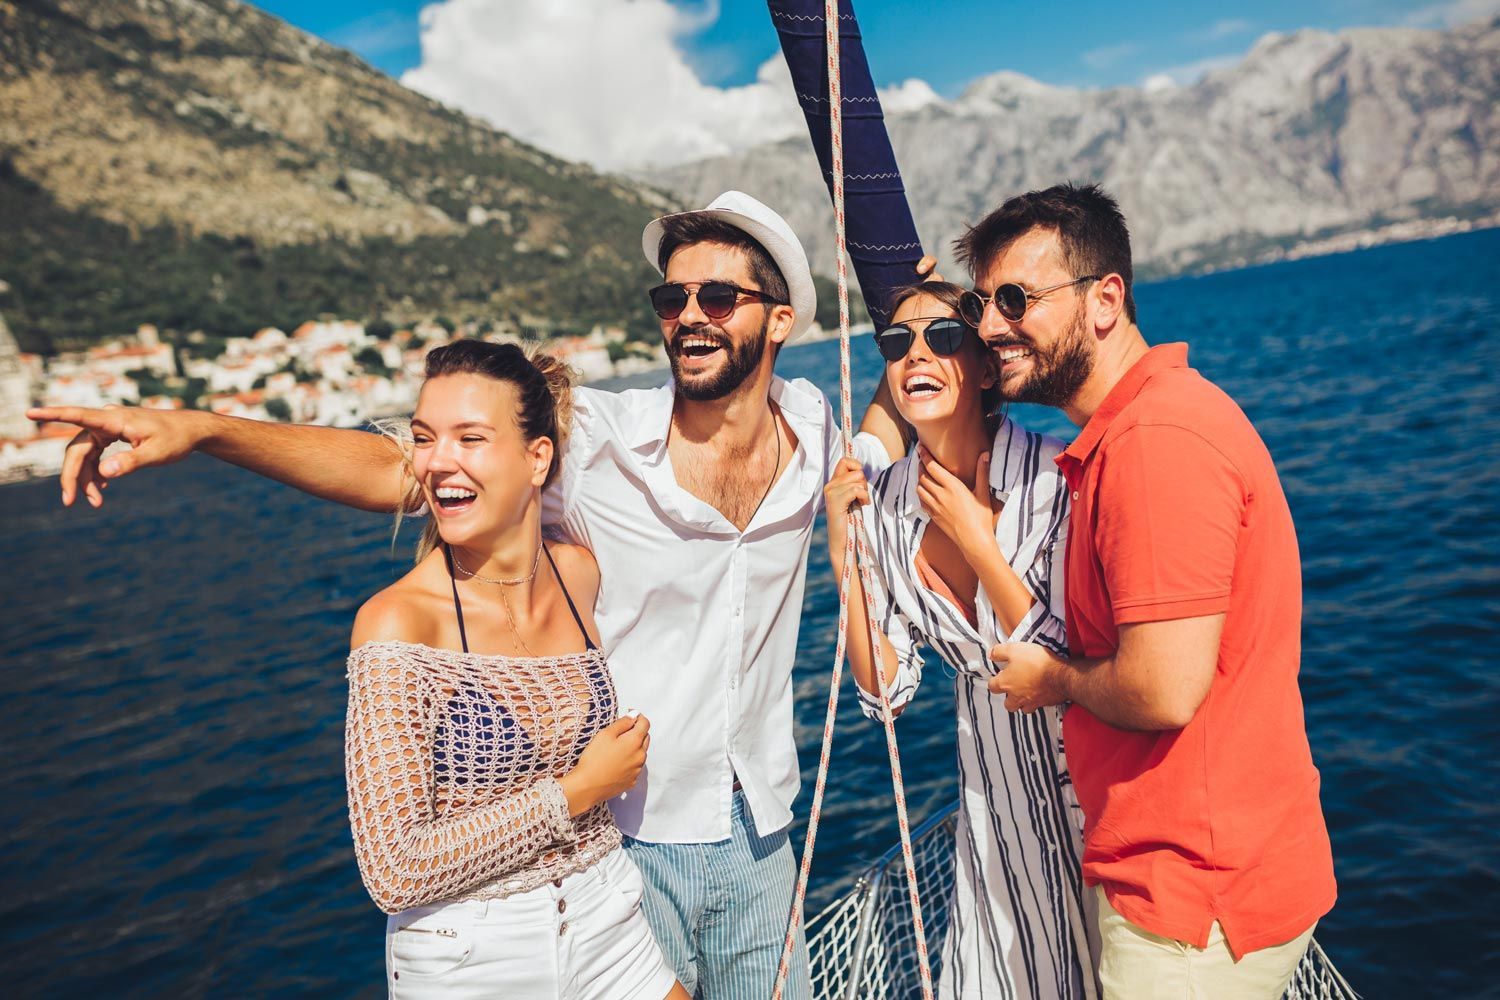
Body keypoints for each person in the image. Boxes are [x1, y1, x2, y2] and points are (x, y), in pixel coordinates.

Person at [30, 191, 904, 1000]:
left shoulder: (814, 428)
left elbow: (888, 420)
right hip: (627, 837)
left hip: (762, 836)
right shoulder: (596, 441)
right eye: (670, 301)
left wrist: (918, 312)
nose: (688, 317)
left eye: (718, 299)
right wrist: (206, 430)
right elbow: (409, 470)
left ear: (780, 319)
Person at [967, 183, 1336, 998]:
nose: (990, 326)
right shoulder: (1143, 427)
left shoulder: (1154, 443)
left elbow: (1166, 688)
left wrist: (1050, 679)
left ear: (1106, 300)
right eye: (981, 303)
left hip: (1192, 898)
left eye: (1017, 299)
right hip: (1204, 873)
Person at [343, 339, 687, 998]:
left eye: (470, 437)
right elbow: (394, 869)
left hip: (608, 914)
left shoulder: (579, 573)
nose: (437, 461)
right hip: (470, 956)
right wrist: (578, 792)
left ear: (538, 459)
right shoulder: (397, 625)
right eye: (424, 438)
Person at [824, 280, 1096, 1000]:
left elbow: (1078, 660)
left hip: (1097, 799)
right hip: (997, 814)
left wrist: (981, 547)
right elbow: (884, 694)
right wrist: (841, 559)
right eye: (897, 342)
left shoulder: (1053, 478)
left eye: (942, 337)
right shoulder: (880, 511)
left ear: (983, 366)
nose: (917, 353)